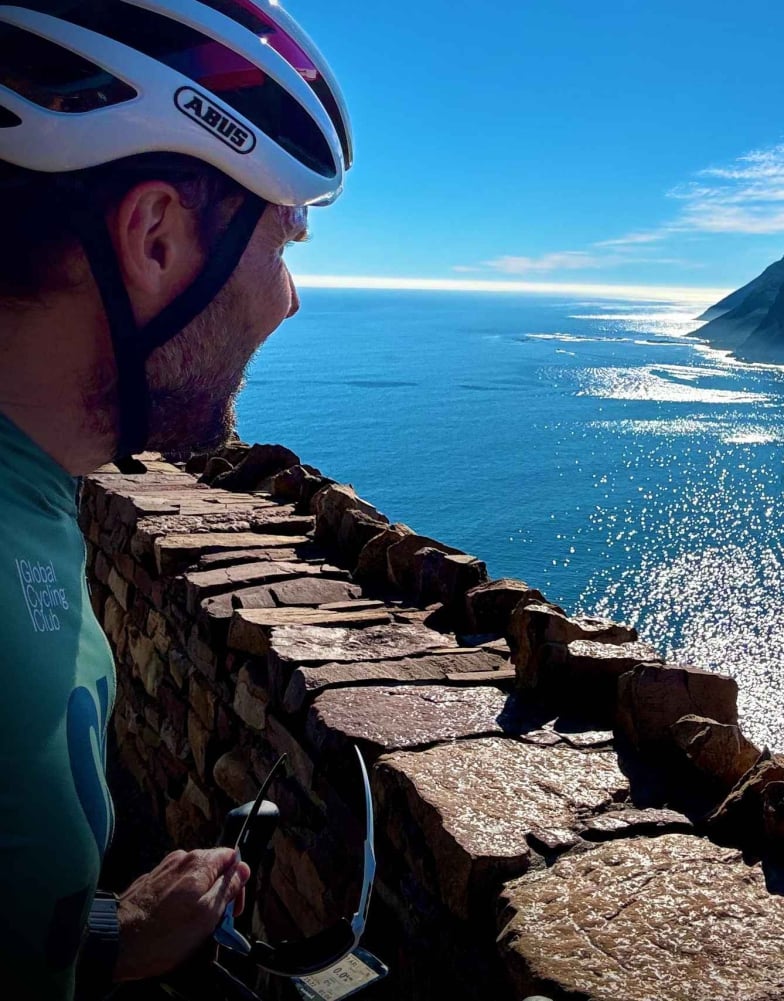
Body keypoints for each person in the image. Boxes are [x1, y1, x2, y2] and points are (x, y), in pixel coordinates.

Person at [0, 1, 353, 996]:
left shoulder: (33, 483)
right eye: (281, 245)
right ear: (155, 238)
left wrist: (106, 933)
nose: (288, 299)